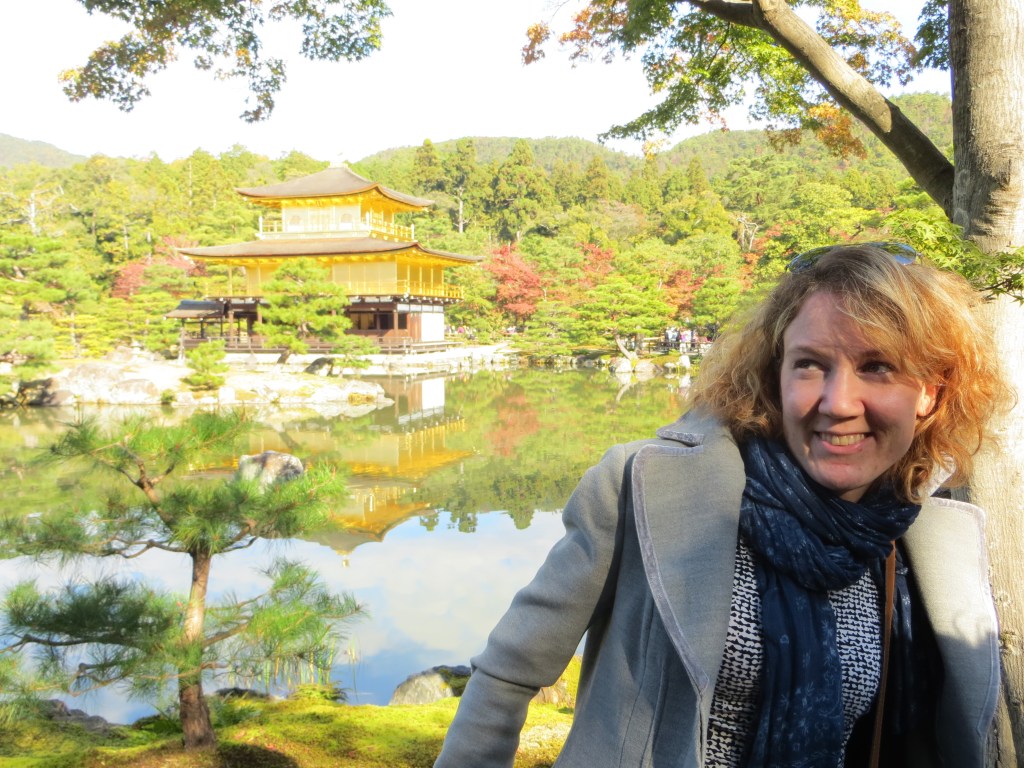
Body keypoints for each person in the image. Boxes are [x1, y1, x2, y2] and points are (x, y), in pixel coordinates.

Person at [433, 243, 1015, 768]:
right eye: (810, 364)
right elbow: (509, 673)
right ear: (775, 372)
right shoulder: (646, 486)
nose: (838, 403)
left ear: (931, 392)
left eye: (878, 367)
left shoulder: (917, 539)